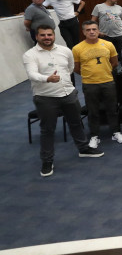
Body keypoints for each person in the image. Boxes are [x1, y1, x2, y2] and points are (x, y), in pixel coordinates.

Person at [24, 25, 104, 176]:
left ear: (54, 35)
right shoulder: (30, 55)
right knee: (47, 130)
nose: (47, 37)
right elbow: (32, 74)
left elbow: (70, 68)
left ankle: (83, 149)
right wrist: (47, 78)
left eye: (49, 34)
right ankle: (47, 160)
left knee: (76, 123)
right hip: (45, 98)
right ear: (36, 37)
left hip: (68, 94)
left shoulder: (65, 51)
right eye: (43, 35)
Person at [73, 20, 122, 148]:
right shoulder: (77, 48)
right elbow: (76, 68)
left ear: (98, 30)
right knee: (93, 111)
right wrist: (89, 75)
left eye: (94, 29)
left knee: (112, 109)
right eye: (88, 30)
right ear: (83, 32)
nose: (91, 32)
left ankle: (116, 132)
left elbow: (114, 63)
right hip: (89, 84)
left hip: (108, 82)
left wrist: (104, 72)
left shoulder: (108, 45)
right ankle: (94, 135)